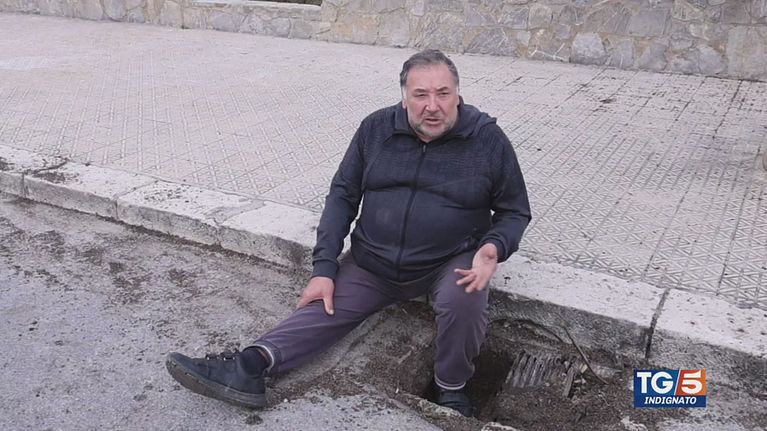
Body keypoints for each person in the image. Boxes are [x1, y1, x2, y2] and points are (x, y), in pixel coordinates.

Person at [166, 49, 531, 417]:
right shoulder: (376, 129)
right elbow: (342, 195)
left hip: (448, 259)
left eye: (443, 93)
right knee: (323, 304)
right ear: (404, 97)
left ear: (457, 94)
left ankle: (451, 388)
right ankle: (250, 365)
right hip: (373, 260)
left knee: (465, 295)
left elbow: (514, 211)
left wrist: (494, 246)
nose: (432, 106)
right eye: (421, 95)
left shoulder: (487, 139)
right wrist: (324, 268)